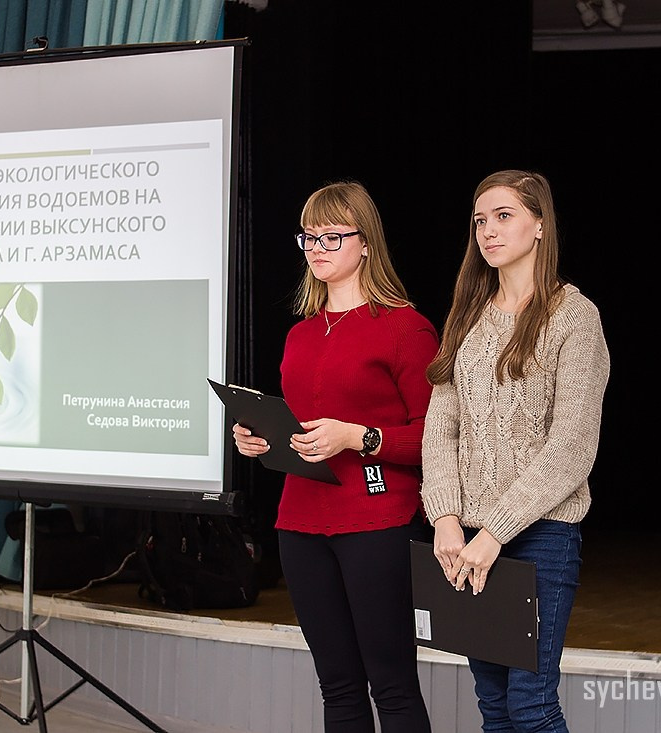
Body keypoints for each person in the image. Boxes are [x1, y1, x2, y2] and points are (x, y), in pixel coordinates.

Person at [233, 180, 437, 732]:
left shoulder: (405, 328)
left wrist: (359, 437)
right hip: (299, 525)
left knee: (391, 686)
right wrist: (260, 439)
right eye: (308, 237)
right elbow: (302, 428)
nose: (317, 247)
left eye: (332, 235)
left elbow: (437, 439)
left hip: (377, 523)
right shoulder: (300, 334)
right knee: (337, 688)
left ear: (366, 242)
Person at [421, 169, 610, 732]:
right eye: (480, 220)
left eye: (504, 216)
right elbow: (440, 429)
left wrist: (494, 533)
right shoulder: (468, 315)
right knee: (495, 708)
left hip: (540, 539)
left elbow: (571, 448)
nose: (488, 231)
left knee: (530, 707)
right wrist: (447, 520)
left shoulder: (574, 317)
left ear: (540, 225)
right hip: (469, 539)